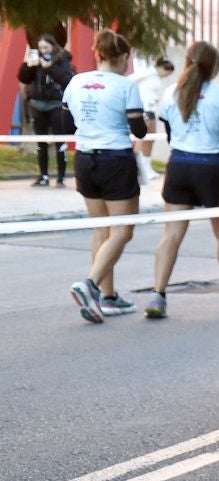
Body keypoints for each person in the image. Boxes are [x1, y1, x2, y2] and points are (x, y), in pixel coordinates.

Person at [146, 41, 219, 318]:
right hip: (211, 167)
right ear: (214, 66)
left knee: (171, 234)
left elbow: (170, 135)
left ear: (186, 61)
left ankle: (158, 295)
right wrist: (218, 168)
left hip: (179, 164)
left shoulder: (171, 92)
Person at [63, 29, 149, 321]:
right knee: (123, 230)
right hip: (115, 158)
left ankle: (107, 297)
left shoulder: (76, 81)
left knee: (101, 230)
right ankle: (89, 284)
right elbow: (138, 130)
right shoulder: (126, 86)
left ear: (97, 54)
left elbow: (66, 118)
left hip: (85, 158)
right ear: (124, 56)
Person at [17, 32, 74, 188]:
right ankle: (43, 176)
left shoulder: (62, 59)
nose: (43, 51)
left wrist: (49, 68)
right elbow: (23, 78)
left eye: (46, 47)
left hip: (56, 104)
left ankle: (61, 177)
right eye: (40, 48)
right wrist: (27, 65)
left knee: (59, 141)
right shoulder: (35, 59)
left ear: (53, 46)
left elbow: (67, 79)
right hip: (37, 105)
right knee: (40, 142)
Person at [133, 56, 176, 185]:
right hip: (143, 108)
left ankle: (146, 165)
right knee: (142, 137)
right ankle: (137, 167)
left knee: (151, 137)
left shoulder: (157, 77)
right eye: (167, 73)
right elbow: (131, 79)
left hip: (151, 109)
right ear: (163, 68)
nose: (167, 76)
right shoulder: (148, 72)